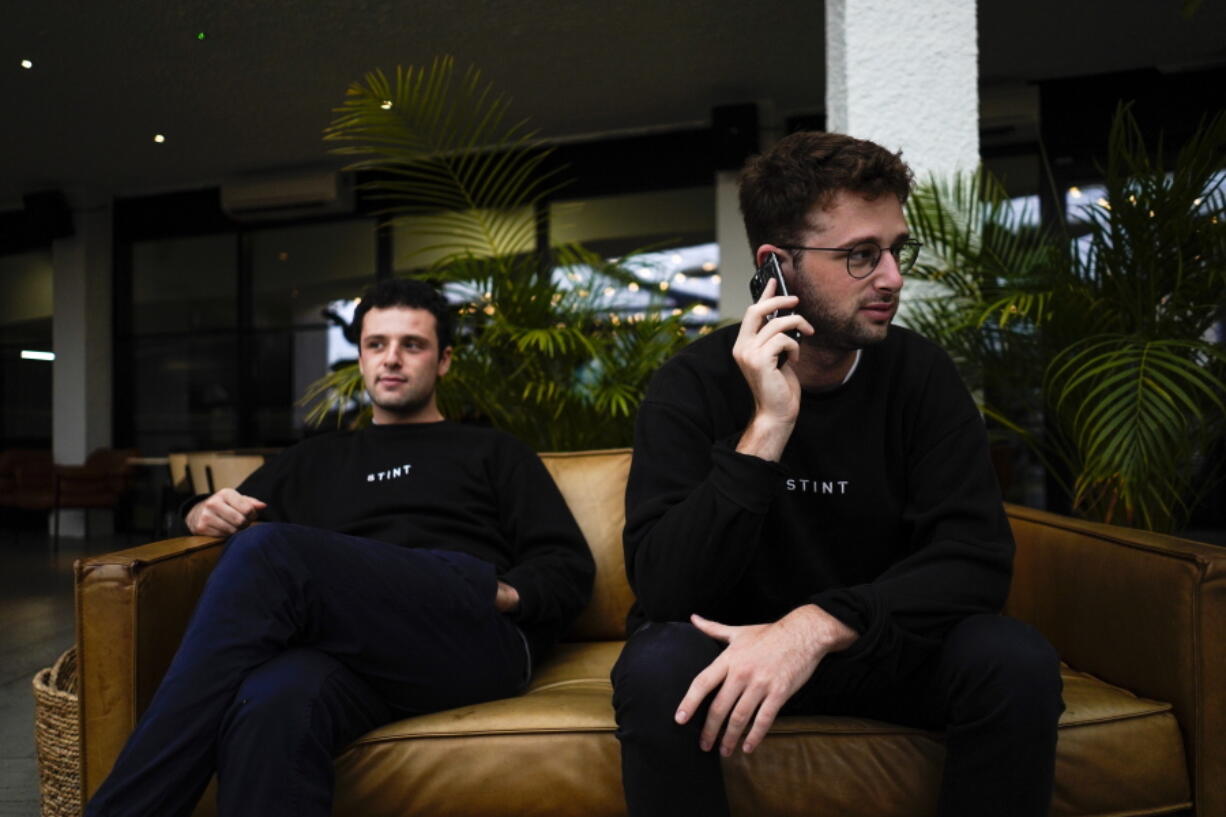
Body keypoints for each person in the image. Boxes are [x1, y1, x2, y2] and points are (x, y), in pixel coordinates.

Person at [611, 132, 1063, 817]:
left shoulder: (921, 377)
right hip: (737, 658)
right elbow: (666, 586)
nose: (893, 277)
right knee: (654, 667)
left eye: (894, 249)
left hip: (876, 646)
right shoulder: (690, 386)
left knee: (1014, 658)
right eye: (860, 255)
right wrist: (768, 427)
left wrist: (814, 626)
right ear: (777, 266)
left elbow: (974, 560)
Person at [86, 278, 594, 817]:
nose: (392, 359)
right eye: (377, 344)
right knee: (273, 700)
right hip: (347, 653)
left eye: (412, 345)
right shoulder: (313, 459)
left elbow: (567, 568)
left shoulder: (493, 451)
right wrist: (196, 512)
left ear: (443, 361)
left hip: (465, 638)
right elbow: (218, 520)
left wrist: (496, 594)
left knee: (270, 551)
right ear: (360, 357)